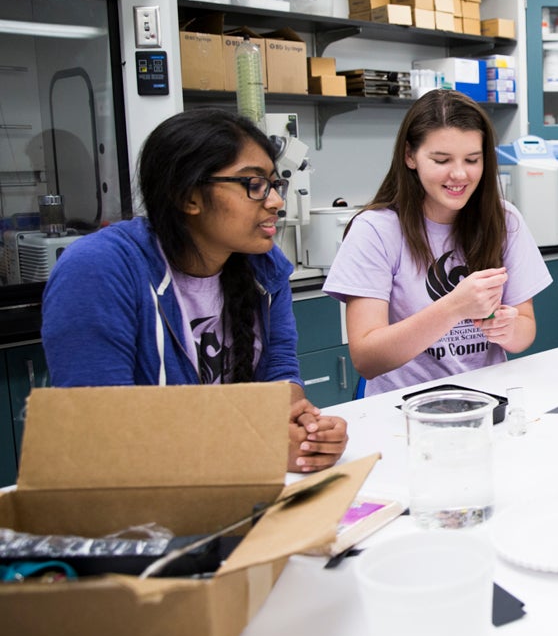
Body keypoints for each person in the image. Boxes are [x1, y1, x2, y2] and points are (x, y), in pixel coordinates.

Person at [41, 108, 348, 474]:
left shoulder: (263, 270)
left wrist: (305, 430)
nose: (275, 202)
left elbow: (279, 369)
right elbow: (97, 432)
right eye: (253, 184)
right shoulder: (99, 269)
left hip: (230, 483)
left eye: (273, 184)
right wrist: (258, 445)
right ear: (188, 196)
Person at [323, 89, 551, 396]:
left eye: (472, 159)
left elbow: (525, 330)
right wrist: (454, 307)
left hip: (487, 400)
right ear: (410, 156)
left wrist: (508, 328)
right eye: (441, 160)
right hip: (402, 411)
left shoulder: (504, 219)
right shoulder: (375, 230)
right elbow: (366, 358)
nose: (459, 174)